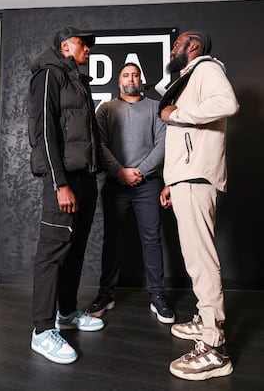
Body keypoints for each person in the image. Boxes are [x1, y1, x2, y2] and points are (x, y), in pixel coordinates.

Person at [159, 30, 239, 380]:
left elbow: (228, 104)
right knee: (196, 257)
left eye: (179, 44)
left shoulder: (206, 68)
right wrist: (170, 182)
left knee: (200, 259)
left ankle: (214, 347)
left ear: (194, 47)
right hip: (185, 179)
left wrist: (177, 114)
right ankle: (205, 320)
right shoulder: (190, 76)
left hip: (196, 178)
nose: (174, 48)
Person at [27, 26, 104, 365]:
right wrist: (60, 184)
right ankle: (42, 331)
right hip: (64, 180)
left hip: (85, 178)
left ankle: (67, 312)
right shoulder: (48, 76)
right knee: (52, 252)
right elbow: (45, 133)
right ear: (66, 45)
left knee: (74, 249)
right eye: (83, 44)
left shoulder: (77, 81)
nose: (87, 48)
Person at [86, 62, 175, 324]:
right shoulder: (106, 109)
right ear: (118, 80)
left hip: (148, 184)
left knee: (152, 240)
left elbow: (163, 143)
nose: (131, 78)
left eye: (135, 74)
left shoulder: (155, 107)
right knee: (112, 240)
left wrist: (140, 172)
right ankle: (106, 294)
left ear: (141, 79)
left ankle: (158, 297)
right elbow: (99, 144)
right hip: (116, 183)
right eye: (126, 74)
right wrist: (121, 172)